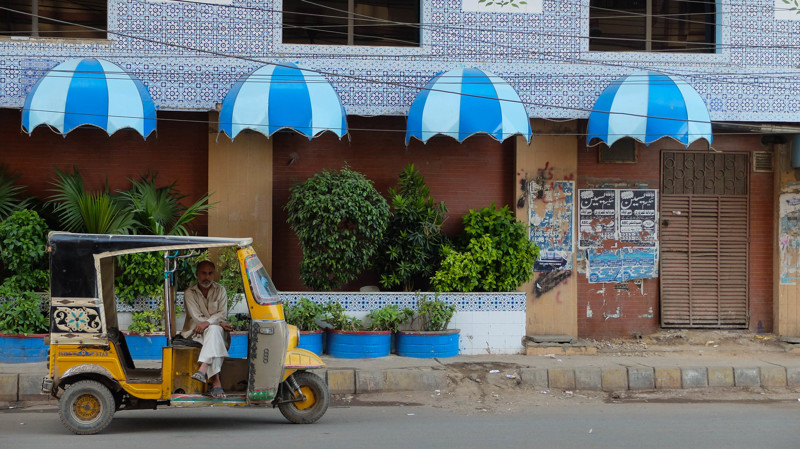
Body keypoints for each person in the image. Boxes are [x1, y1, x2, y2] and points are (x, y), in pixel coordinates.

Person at [182, 260, 233, 398]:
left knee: (214, 332)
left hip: (213, 333)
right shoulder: (190, 293)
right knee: (215, 331)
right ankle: (216, 382)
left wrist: (209, 323)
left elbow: (222, 314)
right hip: (195, 333)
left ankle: (203, 369)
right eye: (204, 273)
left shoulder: (220, 290)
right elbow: (197, 318)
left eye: (210, 273)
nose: (207, 277)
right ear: (197, 274)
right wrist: (217, 322)